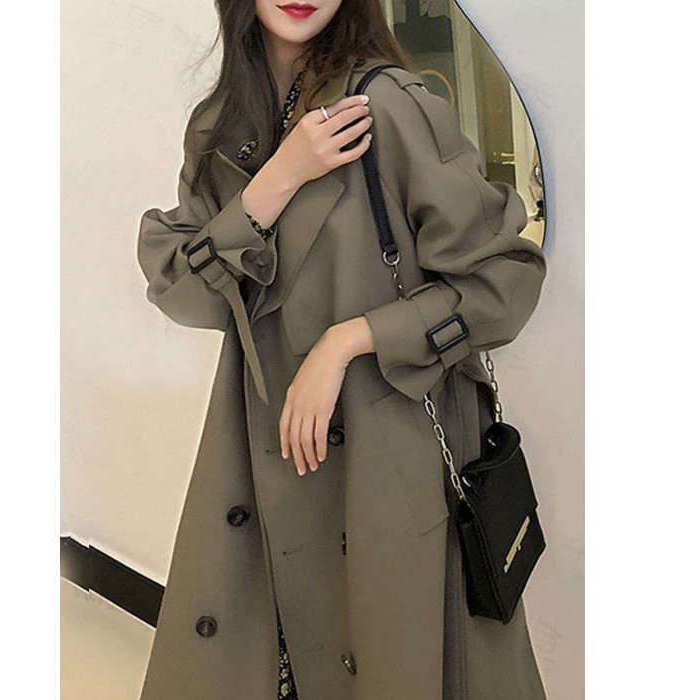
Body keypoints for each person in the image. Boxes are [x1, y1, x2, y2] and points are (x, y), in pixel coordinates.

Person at [136, 1, 548, 699]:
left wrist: (348, 340)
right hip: (266, 451)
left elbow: (504, 280)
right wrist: (279, 177)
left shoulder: (386, 104)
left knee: (385, 656)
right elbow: (184, 289)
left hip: (386, 454)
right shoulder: (221, 128)